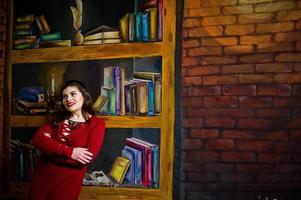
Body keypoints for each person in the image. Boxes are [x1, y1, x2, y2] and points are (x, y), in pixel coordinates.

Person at [29, 80, 105, 200]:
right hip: (41, 179)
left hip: (68, 184)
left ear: (84, 96)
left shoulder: (96, 124)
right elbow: (38, 140)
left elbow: (84, 160)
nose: (68, 99)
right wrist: (71, 152)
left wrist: (50, 150)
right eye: (65, 96)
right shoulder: (57, 118)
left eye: (73, 94)